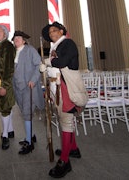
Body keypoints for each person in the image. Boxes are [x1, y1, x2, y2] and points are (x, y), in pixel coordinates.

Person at [40, 21, 82, 178]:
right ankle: (73, 149)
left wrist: (48, 61)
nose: (52, 34)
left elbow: (62, 62)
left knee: (66, 120)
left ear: (62, 31)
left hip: (66, 87)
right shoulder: (55, 46)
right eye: (50, 33)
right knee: (66, 119)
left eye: (54, 31)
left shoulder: (68, 43)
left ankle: (65, 161)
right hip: (56, 87)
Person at [11, 30, 44, 155]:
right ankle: (31, 135)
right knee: (25, 112)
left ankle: (29, 143)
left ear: (24, 40)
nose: (16, 40)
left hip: (28, 86)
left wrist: (33, 80)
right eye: (15, 38)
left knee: (27, 112)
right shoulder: (14, 52)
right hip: (17, 87)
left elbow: (38, 65)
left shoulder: (30, 50)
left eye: (19, 38)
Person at [0, 24, 16, 150]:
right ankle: (10, 130)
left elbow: (9, 68)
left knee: (4, 109)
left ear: (5, 34)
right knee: (6, 107)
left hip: (3, 85)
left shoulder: (8, 46)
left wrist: (4, 86)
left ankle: (5, 135)